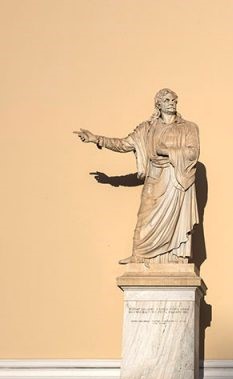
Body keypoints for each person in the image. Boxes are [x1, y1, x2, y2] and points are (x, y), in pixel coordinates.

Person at [74, 88, 199, 265]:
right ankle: (139, 254)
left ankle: (175, 255)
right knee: (144, 216)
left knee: (173, 221)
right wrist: (97, 139)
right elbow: (124, 144)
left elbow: (193, 153)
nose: (172, 103)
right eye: (168, 100)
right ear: (158, 104)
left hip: (175, 180)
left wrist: (167, 151)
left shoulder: (188, 128)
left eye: (174, 100)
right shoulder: (146, 129)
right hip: (155, 178)